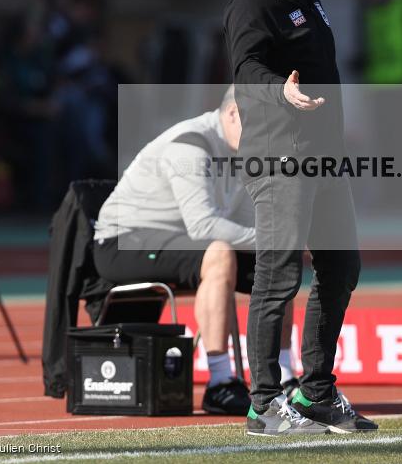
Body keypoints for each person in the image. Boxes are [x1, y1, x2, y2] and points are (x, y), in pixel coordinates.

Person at [223, 0, 378, 435]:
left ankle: (315, 394)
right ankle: (264, 404)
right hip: (280, 156)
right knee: (277, 276)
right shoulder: (252, 3)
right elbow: (247, 69)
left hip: (323, 156)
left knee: (342, 267)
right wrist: (280, 91)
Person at [91, 87, 296, 416]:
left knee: (280, 263)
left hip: (182, 241)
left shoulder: (244, 151)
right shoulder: (191, 145)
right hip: (123, 240)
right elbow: (203, 226)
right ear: (232, 113)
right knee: (220, 253)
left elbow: (244, 224)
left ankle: (286, 378)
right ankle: (219, 383)